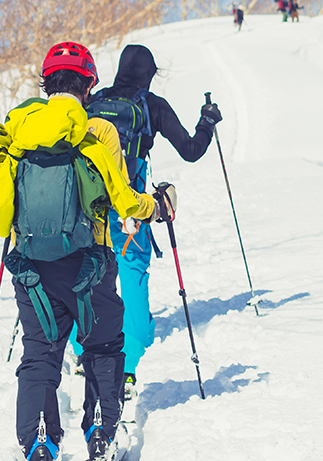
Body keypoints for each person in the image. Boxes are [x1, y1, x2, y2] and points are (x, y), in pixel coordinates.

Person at [0, 42, 172, 461]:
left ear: (46, 82)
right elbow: (124, 200)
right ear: (88, 84)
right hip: (89, 266)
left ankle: (40, 447)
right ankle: (100, 437)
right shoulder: (98, 132)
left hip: (30, 269)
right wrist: (157, 206)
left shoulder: (18, 129)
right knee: (101, 347)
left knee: (40, 354)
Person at [70, 44, 222, 402]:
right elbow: (191, 150)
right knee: (132, 273)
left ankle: (83, 347)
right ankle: (130, 357)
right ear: (149, 73)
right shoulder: (151, 105)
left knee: (90, 273)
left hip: (89, 207)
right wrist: (208, 121)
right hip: (131, 209)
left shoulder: (96, 100)